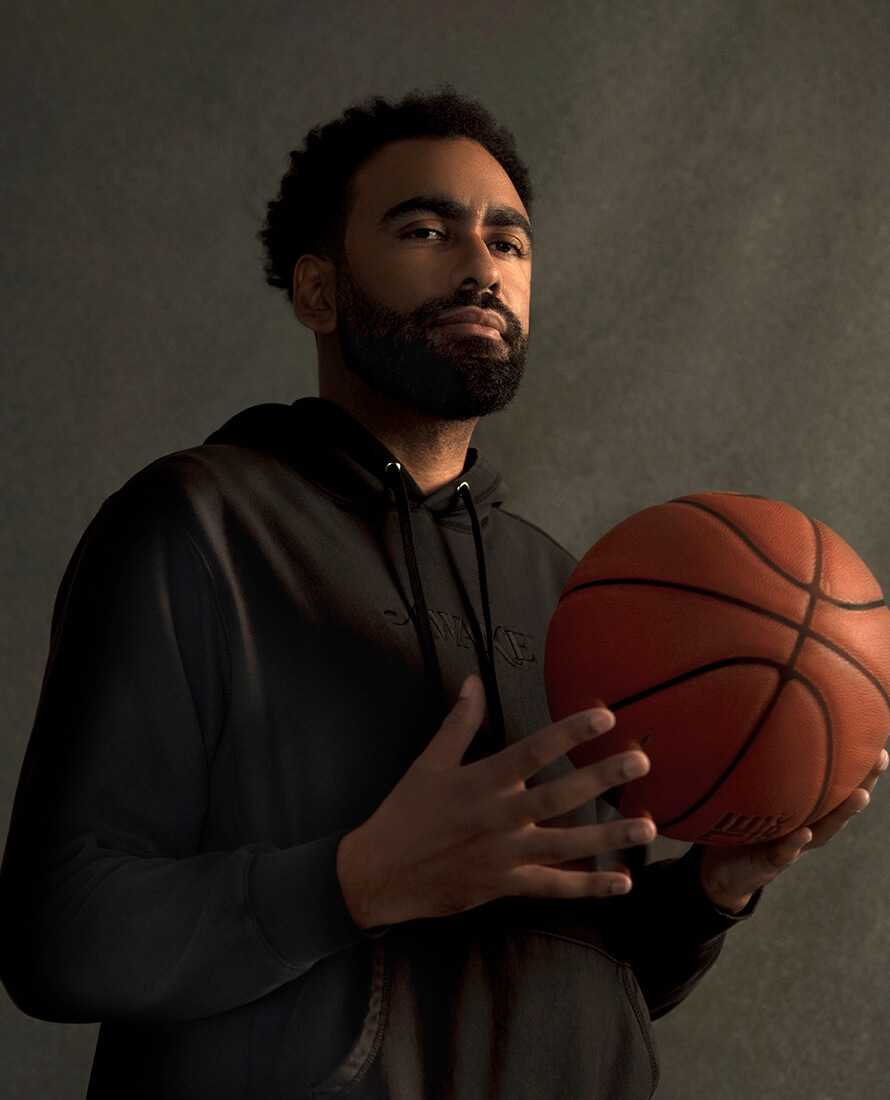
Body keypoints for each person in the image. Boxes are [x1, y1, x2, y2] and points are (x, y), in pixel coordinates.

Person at [0, 84, 765, 1100]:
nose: (481, 265)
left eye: (508, 242)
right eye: (424, 228)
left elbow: (581, 976)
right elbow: (58, 936)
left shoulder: (572, 592)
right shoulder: (200, 525)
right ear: (317, 293)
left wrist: (710, 891)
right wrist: (351, 881)